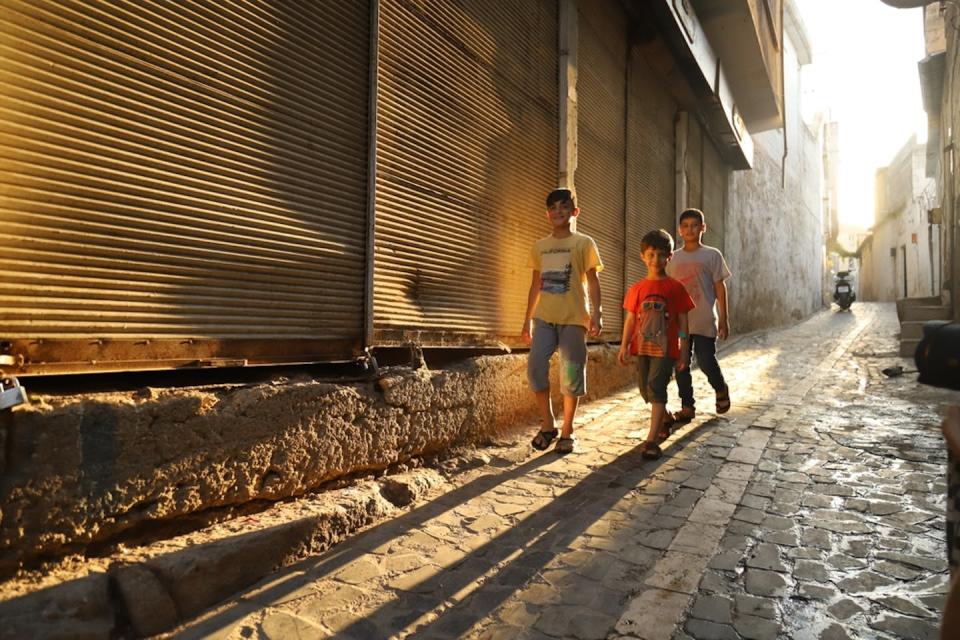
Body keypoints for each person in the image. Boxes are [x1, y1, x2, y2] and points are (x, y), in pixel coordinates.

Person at [521, 188, 603, 455]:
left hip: (573, 319)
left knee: (571, 374)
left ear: (574, 212)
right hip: (544, 318)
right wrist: (526, 321)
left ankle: (567, 431)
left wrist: (597, 313)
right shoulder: (540, 247)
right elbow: (535, 285)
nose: (558, 211)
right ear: (547, 214)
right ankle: (548, 424)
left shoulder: (583, 243)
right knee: (535, 368)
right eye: (553, 208)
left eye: (564, 207)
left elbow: (593, 280)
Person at [617, 229, 694, 460]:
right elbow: (630, 319)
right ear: (642, 256)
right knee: (645, 389)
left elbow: (683, 322)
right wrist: (623, 345)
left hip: (665, 349)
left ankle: (651, 441)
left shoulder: (675, 288)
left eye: (661, 255)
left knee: (656, 387)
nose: (655, 260)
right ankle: (666, 417)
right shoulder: (636, 289)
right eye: (651, 254)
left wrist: (683, 350)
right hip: (641, 347)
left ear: (669, 257)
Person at [665, 208, 732, 424]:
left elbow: (720, 288)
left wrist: (723, 318)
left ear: (703, 228)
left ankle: (720, 388)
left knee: (705, 361)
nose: (690, 229)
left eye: (695, 225)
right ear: (679, 230)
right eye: (685, 226)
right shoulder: (672, 258)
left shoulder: (712, 255)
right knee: (681, 364)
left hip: (704, 319)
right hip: (679, 323)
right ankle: (687, 406)